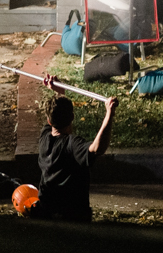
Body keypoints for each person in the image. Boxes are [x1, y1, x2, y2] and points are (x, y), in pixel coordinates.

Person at [33, 75, 119, 222]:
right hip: (72, 216)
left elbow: (56, 113)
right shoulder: (72, 145)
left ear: (49, 121)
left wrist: (59, 91)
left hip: (46, 211)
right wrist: (109, 113)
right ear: (72, 117)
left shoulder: (44, 137)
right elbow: (97, 148)